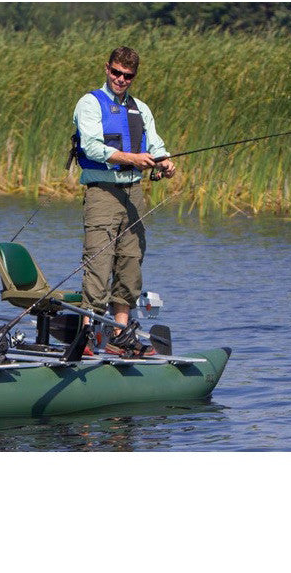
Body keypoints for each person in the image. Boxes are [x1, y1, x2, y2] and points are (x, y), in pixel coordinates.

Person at [72, 46, 175, 356]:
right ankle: (87, 336)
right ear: (107, 69)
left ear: (134, 77)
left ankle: (120, 335)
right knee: (99, 264)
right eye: (116, 72)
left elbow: (155, 144)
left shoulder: (141, 109)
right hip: (102, 192)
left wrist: (164, 161)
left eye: (127, 76)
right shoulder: (90, 104)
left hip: (133, 194)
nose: (120, 79)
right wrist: (131, 157)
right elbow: (91, 147)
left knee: (130, 264)